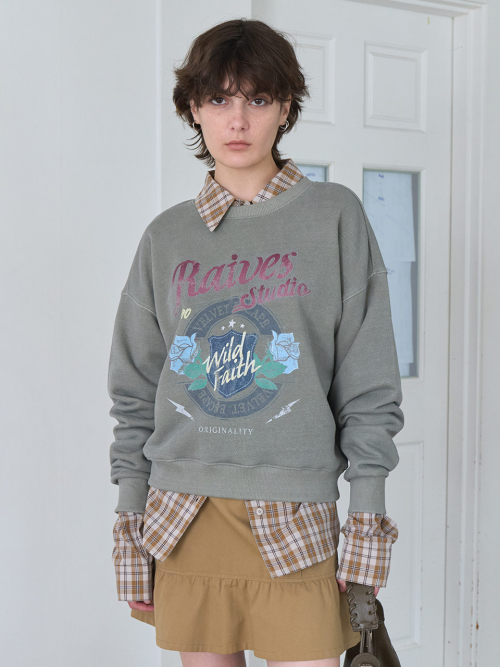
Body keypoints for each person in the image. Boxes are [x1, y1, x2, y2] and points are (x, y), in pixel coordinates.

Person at [108, 17, 404, 667]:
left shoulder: (334, 216)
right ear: (193, 108)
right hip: (183, 514)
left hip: (296, 516)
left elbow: (370, 385)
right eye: (218, 99)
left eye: (258, 98)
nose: (237, 120)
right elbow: (134, 392)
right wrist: (130, 520)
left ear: (286, 108)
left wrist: (367, 522)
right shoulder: (166, 237)